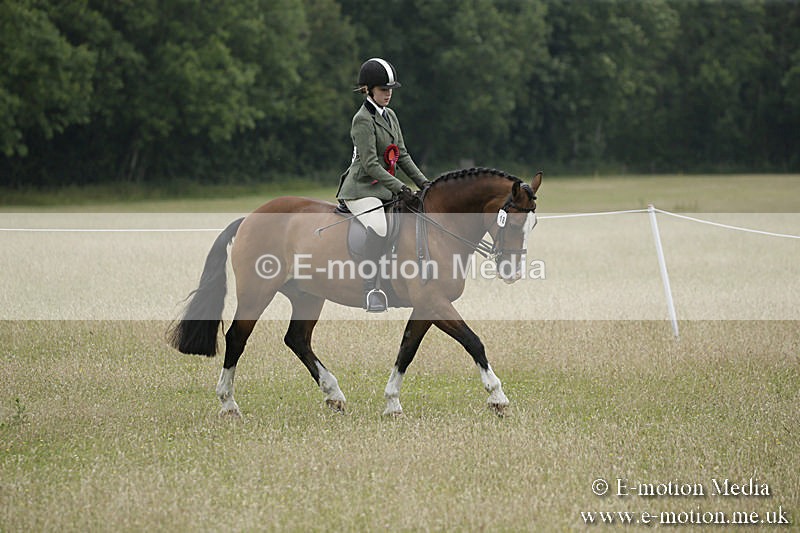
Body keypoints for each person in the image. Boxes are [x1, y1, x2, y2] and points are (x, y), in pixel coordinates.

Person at [336, 57, 430, 312]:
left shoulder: (391, 116)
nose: (388, 95)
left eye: (390, 90)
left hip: (384, 187)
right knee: (378, 227)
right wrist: (401, 187)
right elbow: (370, 165)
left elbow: (403, 154)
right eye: (382, 90)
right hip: (361, 188)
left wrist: (425, 184)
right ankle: (371, 289)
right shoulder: (362, 120)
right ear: (368, 89)